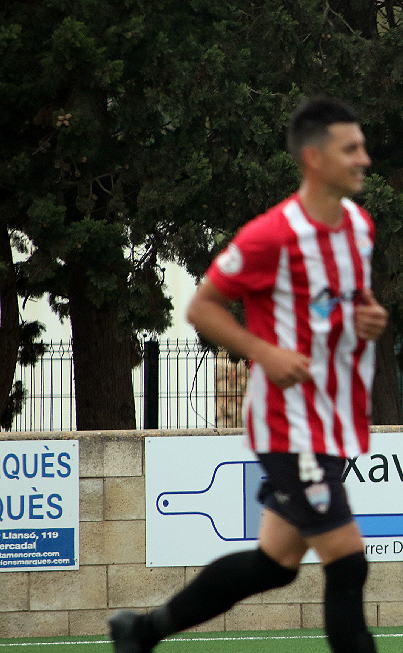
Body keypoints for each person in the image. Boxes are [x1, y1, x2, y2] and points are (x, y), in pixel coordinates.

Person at [108, 96, 387, 653]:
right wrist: (266, 354)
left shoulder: (358, 226)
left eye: (363, 147)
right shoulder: (272, 235)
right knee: (348, 562)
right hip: (291, 423)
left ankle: (141, 631)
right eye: (351, 149)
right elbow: (202, 306)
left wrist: (369, 316)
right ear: (313, 158)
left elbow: (348, 301)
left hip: (335, 418)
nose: (364, 159)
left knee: (275, 563)